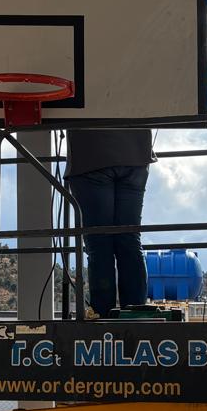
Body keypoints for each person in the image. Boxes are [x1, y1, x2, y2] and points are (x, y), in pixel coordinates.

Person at [65, 128, 154, 317]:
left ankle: (103, 316)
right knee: (129, 239)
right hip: (135, 154)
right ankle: (136, 314)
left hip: (90, 155)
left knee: (99, 242)